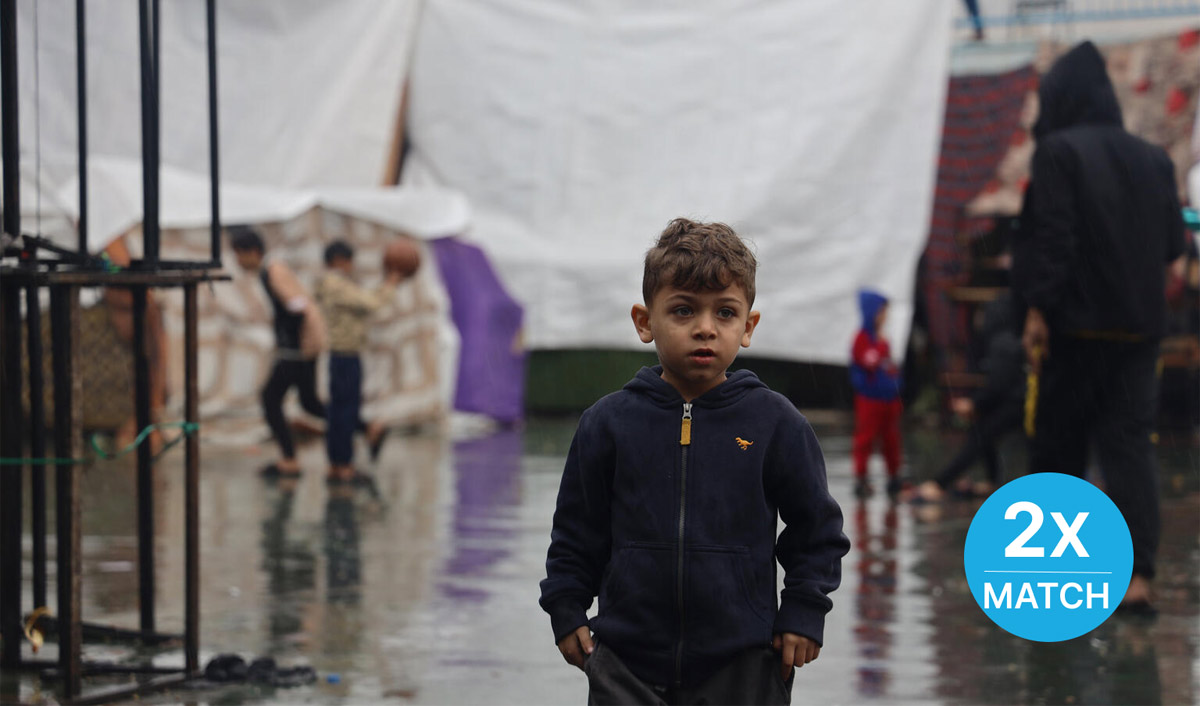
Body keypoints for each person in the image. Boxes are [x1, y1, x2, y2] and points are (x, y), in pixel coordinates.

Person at [539, 218, 849, 705]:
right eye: (683, 311)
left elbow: (818, 531)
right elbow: (577, 531)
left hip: (745, 660)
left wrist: (804, 612)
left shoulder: (776, 424)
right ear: (645, 322)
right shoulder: (608, 423)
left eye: (725, 313)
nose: (705, 328)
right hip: (625, 660)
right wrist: (566, 607)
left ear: (748, 327)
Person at [1012, 41, 1186, 613]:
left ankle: (1055, 578)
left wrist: (1037, 312)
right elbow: (1171, 246)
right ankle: (1137, 580)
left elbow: (1054, 241)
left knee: (1059, 449)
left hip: (1075, 329)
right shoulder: (1155, 158)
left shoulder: (1058, 153)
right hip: (1140, 332)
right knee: (1129, 449)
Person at [912, 294, 1024, 502]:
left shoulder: (1002, 342)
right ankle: (991, 480)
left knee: (981, 434)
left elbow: (1000, 383)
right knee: (983, 430)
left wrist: (975, 402)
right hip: (1017, 401)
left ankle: (939, 483)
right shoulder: (1006, 338)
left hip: (1019, 403)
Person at [314, 241, 401, 484]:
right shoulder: (334, 283)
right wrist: (390, 285)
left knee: (339, 410)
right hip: (345, 355)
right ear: (340, 260)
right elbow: (369, 303)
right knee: (344, 410)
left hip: (343, 355)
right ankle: (344, 464)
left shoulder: (333, 284)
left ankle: (339, 462)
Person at [849, 290, 904, 498]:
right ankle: (861, 478)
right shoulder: (862, 339)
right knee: (865, 438)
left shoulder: (883, 339)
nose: (884, 316)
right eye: (881, 311)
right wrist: (880, 347)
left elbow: (888, 366)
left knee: (891, 438)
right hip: (869, 398)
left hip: (888, 398)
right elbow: (869, 361)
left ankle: (894, 476)